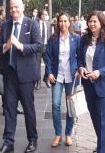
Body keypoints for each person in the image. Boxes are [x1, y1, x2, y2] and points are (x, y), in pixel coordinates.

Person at [0, 0, 43, 153]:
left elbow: (39, 46)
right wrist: (6, 45)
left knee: (29, 109)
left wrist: (21, 46)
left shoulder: (32, 24)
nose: (13, 10)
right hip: (9, 75)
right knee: (9, 109)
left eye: (16, 7)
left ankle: (32, 140)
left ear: (23, 7)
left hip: (27, 75)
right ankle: (8, 142)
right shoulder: (6, 25)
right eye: (11, 8)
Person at [78, 11, 105, 153]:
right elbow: (79, 58)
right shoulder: (84, 39)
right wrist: (81, 68)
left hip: (104, 87)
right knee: (95, 117)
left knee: (102, 120)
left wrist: (99, 72)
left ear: (102, 23)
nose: (91, 24)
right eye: (90, 21)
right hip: (89, 85)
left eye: (94, 21)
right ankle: (101, 144)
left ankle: (102, 150)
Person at [44, 13, 81, 147]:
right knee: (55, 104)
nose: (63, 24)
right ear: (58, 23)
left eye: (65, 21)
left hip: (71, 76)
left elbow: (80, 56)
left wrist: (78, 68)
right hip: (57, 76)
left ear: (69, 23)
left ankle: (68, 134)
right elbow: (47, 56)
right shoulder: (53, 39)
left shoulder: (76, 38)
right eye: (61, 21)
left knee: (70, 106)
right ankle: (58, 134)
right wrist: (48, 73)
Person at [36, 9, 51, 90]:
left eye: (46, 14)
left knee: (48, 63)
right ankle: (38, 82)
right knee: (37, 65)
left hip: (46, 46)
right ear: (41, 15)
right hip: (38, 46)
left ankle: (46, 79)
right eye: (44, 14)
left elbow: (50, 35)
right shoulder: (36, 23)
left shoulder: (48, 23)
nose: (45, 16)